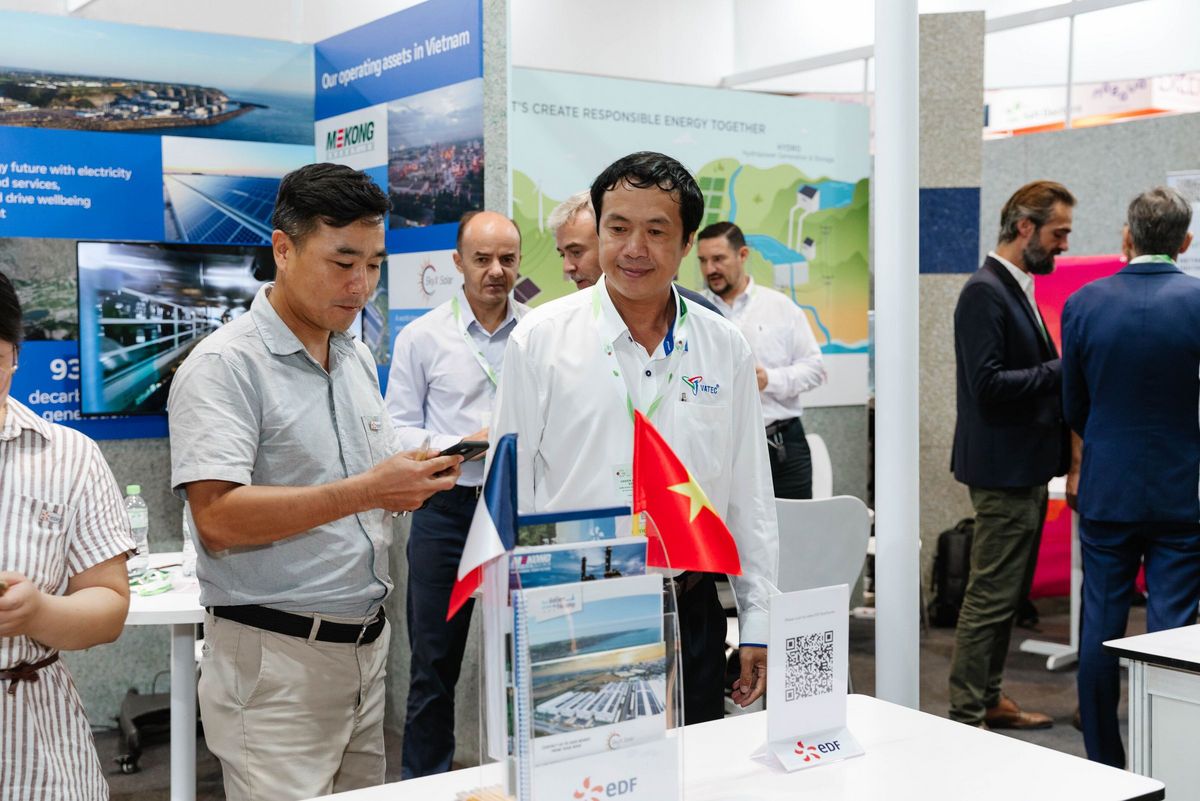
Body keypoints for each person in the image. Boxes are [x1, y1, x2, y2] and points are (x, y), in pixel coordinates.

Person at [168, 163, 463, 801]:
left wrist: (413, 474)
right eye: (343, 262)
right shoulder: (224, 367)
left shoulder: (352, 355)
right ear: (283, 249)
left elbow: (364, 476)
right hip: (276, 663)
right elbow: (217, 520)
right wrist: (370, 490)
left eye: (375, 265)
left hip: (365, 651)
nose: (362, 285)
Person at [493, 152, 778, 723]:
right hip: (580, 610)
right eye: (618, 228)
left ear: (687, 242)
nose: (634, 249)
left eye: (656, 231)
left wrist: (760, 622)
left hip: (692, 604)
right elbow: (508, 493)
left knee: (697, 763)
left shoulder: (723, 346)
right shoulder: (540, 341)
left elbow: (750, 496)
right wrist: (515, 624)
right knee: (587, 767)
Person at [385, 210, 528, 778]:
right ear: (457, 262)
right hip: (446, 510)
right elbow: (396, 429)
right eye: (482, 259)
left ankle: (527, 778)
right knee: (434, 664)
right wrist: (462, 444)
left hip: (519, 510)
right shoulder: (423, 337)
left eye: (507, 260)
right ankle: (425, 785)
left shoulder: (539, 333)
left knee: (527, 653)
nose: (496, 271)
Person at [1063, 186, 1200, 768]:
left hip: (1107, 488)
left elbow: (1074, 404)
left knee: (1100, 625)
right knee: (1173, 633)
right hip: (1182, 489)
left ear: (1127, 234)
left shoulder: (1083, 303)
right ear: (1185, 241)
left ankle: (1104, 761)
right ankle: (1170, 759)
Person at [0, 272, 134, 801]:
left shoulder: (69, 457)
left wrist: (37, 612)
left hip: (36, 734)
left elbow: (108, 606)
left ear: (15, 354)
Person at [948, 180, 1075, 731]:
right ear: (1025, 227)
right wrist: (1063, 368)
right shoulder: (985, 291)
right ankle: (966, 715)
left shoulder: (1012, 287)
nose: (1064, 244)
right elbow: (988, 384)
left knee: (1005, 596)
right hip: (1003, 472)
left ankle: (988, 698)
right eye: (1058, 233)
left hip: (1021, 468)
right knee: (990, 598)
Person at [697, 221, 826, 499]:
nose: (709, 269)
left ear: (742, 255)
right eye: (703, 261)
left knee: (794, 525)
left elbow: (815, 369)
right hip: (716, 451)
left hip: (782, 449)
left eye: (718, 259)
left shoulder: (781, 307)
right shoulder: (694, 313)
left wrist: (769, 380)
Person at [548, 190, 722, 314]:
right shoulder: (556, 323)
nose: (567, 267)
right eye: (563, 255)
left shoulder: (701, 316)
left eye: (576, 252)